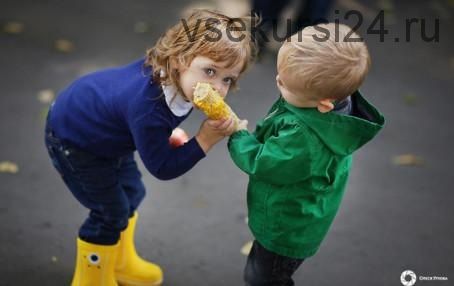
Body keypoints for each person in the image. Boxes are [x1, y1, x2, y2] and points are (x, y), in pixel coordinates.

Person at [44, 9, 254, 286]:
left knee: (133, 191)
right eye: (211, 71)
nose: (217, 86)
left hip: (109, 135)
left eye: (227, 79)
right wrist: (204, 139)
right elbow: (162, 167)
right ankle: (91, 279)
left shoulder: (180, 79)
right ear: (179, 59)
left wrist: (165, 133)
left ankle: (119, 263)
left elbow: (147, 122)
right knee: (111, 213)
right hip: (75, 138)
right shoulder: (148, 108)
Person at [228, 23, 385, 285]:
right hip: (303, 212)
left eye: (286, 85)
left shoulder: (304, 138)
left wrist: (238, 137)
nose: (277, 81)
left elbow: (265, 162)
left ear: (324, 105)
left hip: (286, 226)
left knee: (264, 277)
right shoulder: (333, 107)